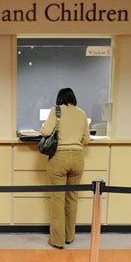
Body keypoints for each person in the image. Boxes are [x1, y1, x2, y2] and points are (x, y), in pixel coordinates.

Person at [40, 88, 90, 249]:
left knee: (57, 198)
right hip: (77, 159)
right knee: (72, 197)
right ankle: (69, 236)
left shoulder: (56, 110)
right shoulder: (82, 113)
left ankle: (57, 240)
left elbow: (45, 131)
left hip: (59, 158)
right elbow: (86, 140)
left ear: (59, 98)